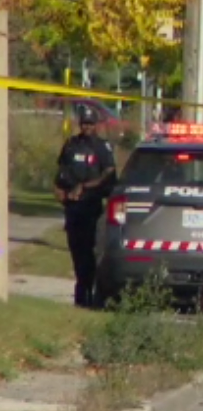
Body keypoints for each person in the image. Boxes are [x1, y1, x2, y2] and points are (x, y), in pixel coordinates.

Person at [53, 105, 118, 308]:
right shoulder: (72, 145)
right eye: (84, 124)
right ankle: (81, 292)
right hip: (73, 209)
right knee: (76, 251)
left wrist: (86, 187)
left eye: (90, 124)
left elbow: (108, 174)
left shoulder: (101, 147)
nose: (87, 127)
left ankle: (91, 292)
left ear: (96, 125)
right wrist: (59, 191)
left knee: (91, 252)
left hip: (92, 208)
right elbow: (61, 173)